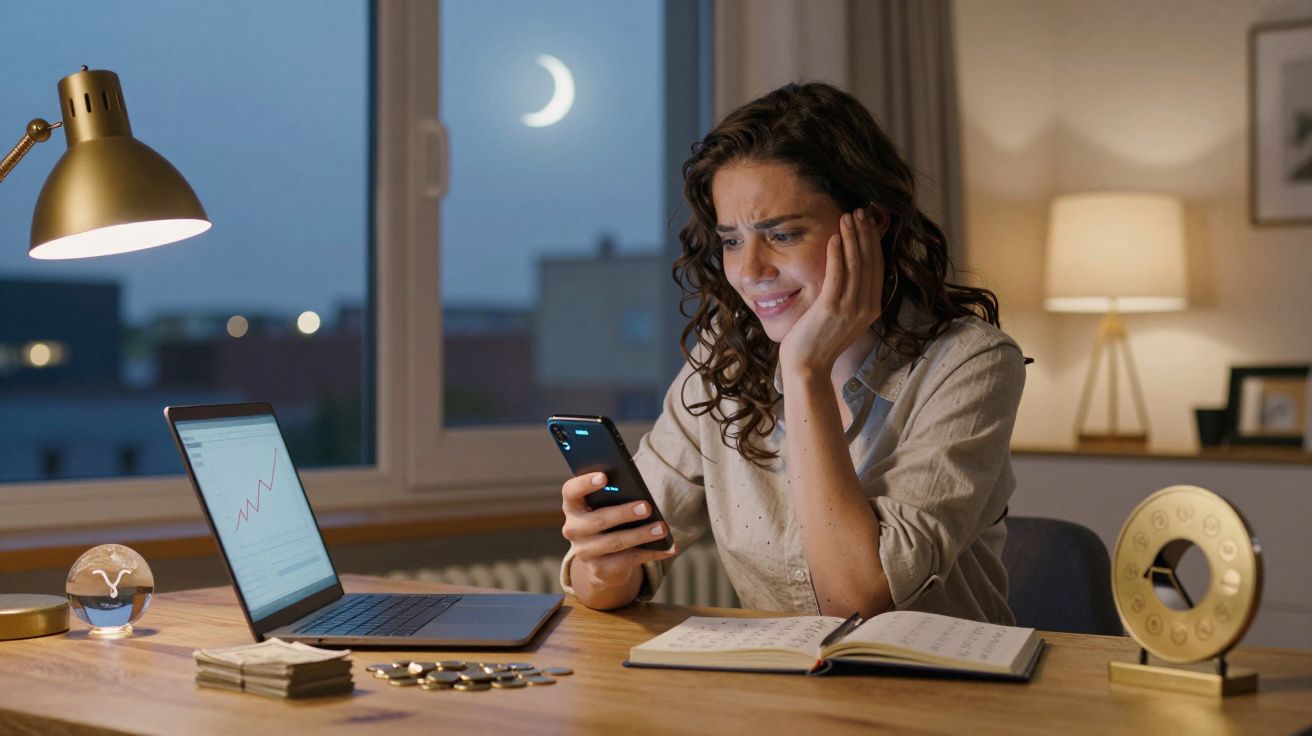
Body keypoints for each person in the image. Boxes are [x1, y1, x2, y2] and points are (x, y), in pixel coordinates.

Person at [558, 82, 1025, 624]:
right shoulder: (723, 364)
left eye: (781, 235)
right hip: (784, 696)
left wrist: (805, 368)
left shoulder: (971, 363)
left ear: (870, 223)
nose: (750, 271)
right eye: (731, 240)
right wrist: (606, 561)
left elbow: (854, 600)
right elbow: (608, 584)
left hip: (945, 695)